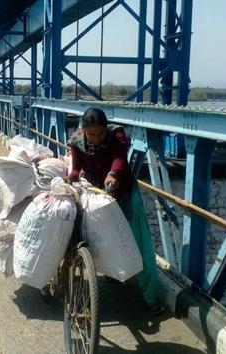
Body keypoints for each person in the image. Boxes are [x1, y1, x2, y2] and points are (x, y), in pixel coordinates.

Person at [67, 107, 162, 314]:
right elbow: (75, 168)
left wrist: (112, 174)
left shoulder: (116, 134)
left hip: (124, 194)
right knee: (105, 237)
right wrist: (70, 179)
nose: (98, 138)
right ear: (83, 130)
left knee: (140, 242)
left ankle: (150, 296)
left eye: (101, 133)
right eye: (92, 134)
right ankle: (113, 274)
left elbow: (120, 158)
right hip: (100, 197)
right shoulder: (76, 141)